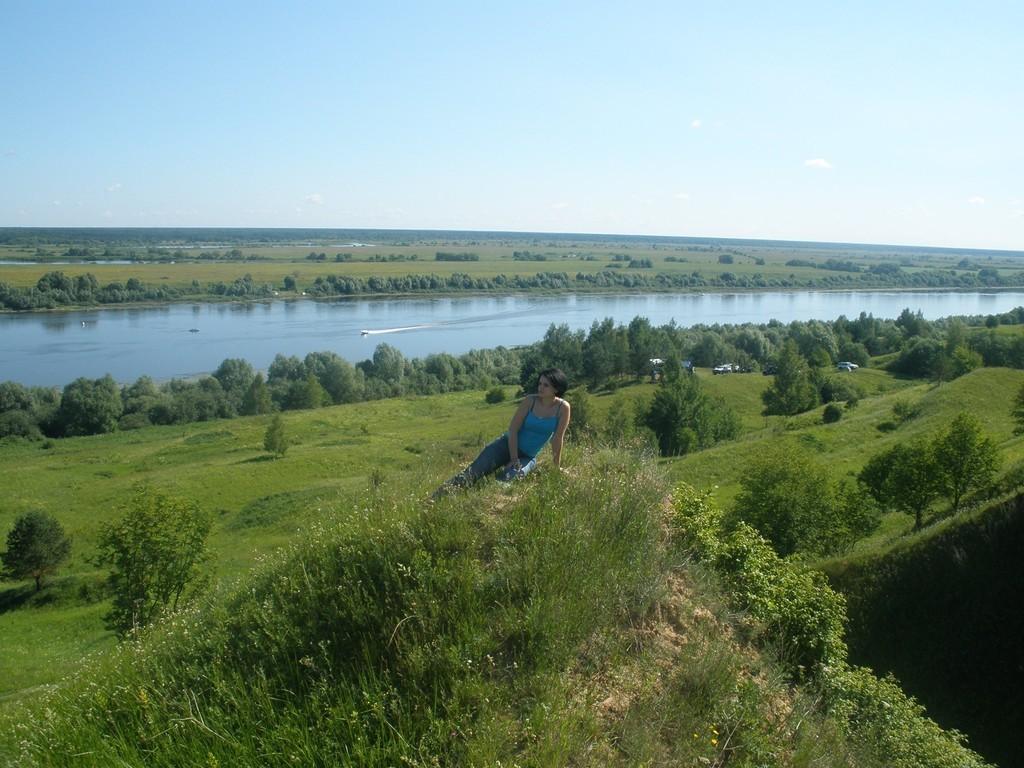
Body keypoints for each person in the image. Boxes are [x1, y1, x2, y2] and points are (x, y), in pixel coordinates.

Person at [434, 368, 571, 496]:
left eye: (546, 385)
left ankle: (485, 501)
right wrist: (513, 458)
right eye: (540, 383)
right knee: (471, 473)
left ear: (556, 388)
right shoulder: (530, 401)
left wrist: (556, 468)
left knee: (508, 479)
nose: (540, 387)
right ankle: (434, 498)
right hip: (504, 446)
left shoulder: (563, 408)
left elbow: (557, 439)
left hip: (528, 456)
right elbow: (513, 430)